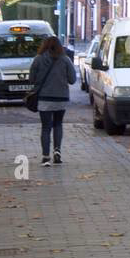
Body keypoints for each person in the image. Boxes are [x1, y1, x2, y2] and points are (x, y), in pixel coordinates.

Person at [29, 36, 76, 166]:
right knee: (58, 124)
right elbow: (72, 79)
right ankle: (57, 151)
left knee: (45, 127)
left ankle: (45, 157)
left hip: (44, 98)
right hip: (61, 98)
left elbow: (31, 79)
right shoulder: (65, 60)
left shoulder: (38, 59)